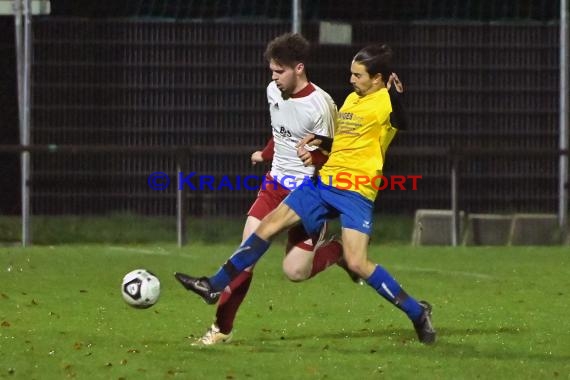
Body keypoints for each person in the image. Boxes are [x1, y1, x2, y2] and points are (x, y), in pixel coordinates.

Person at [175, 43, 436, 344]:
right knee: (267, 226)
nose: (351, 79)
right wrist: (320, 143)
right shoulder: (352, 99)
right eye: (351, 73)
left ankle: (417, 312)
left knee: (357, 263)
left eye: (358, 75)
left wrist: (398, 99)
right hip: (322, 185)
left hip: (356, 192)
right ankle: (214, 285)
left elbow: (401, 124)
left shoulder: (386, 102)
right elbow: (342, 141)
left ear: (377, 78)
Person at [185, 32, 358, 346]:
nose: (274, 77)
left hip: (309, 195)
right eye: (272, 71)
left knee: (295, 272)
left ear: (299, 68)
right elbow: (282, 133)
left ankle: (339, 251)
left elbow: (337, 157)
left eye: (280, 71)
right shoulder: (272, 91)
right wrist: (265, 154)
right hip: (275, 187)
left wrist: (316, 156)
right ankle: (221, 330)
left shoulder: (322, 105)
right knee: (245, 255)